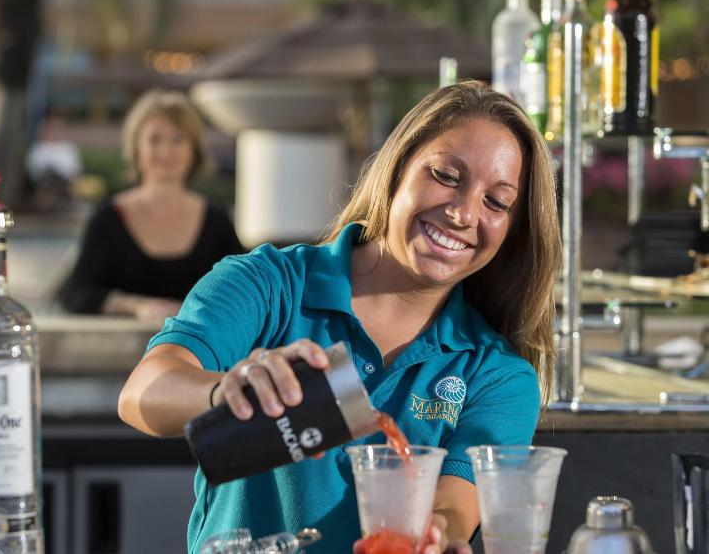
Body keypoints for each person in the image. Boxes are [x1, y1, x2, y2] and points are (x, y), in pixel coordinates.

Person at [118, 81, 562, 553]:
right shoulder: (269, 284)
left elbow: (456, 506)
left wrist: (434, 536)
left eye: (496, 202)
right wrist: (225, 391)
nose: (463, 213)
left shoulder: (498, 374)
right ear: (398, 166)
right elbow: (141, 393)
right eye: (446, 176)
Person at [58, 89, 244, 324]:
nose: (166, 151)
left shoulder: (217, 221)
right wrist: (136, 306)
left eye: (178, 139)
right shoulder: (108, 218)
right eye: (155, 140)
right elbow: (75, 293)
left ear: (194, 150)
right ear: (137, 148)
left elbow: (246, 290)